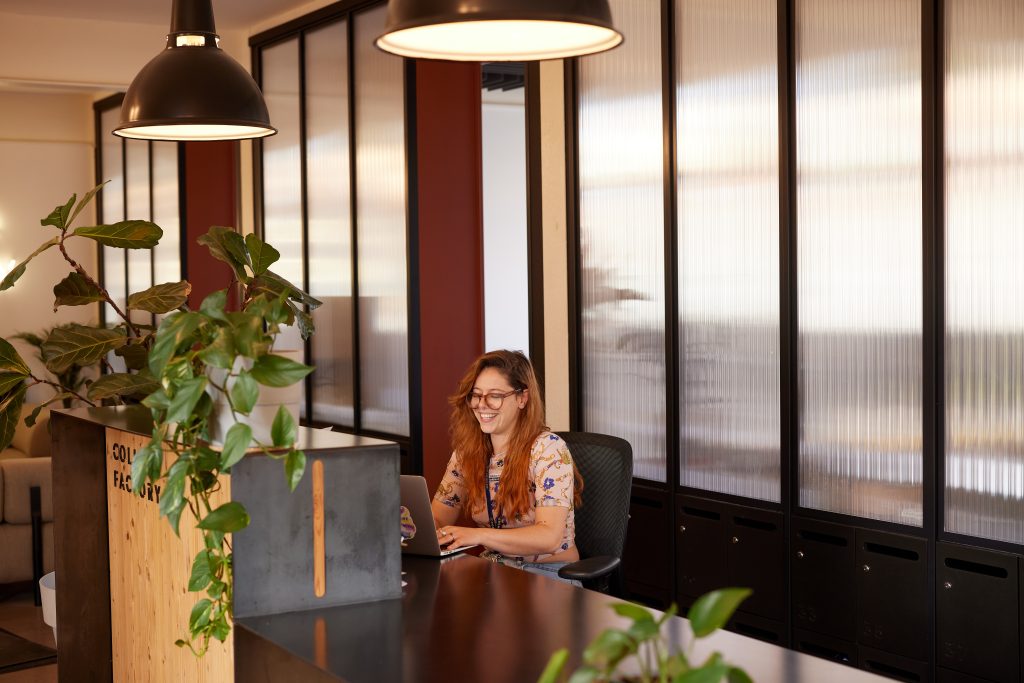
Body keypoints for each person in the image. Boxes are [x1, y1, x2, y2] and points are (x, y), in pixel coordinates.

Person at [431, 349, 582, 582]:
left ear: (522, 398)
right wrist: (418, 529)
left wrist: (478, 536)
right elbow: (439, 517)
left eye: (495, 396)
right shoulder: (466, 453)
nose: (482, 405)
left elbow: (548, 536)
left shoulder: (549, 449)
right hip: (494, 572)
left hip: (549, 574)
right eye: (476, 395)